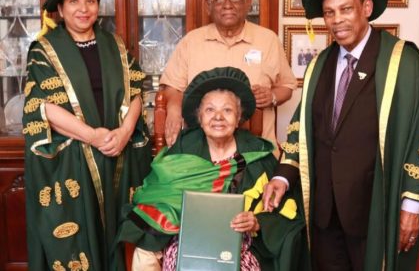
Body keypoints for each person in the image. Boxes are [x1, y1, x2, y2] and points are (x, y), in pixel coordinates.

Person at [262, 0, 419, 271]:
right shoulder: (319, 64)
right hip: (324, 209)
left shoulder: (402, 62)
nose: (337, 20)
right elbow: (300, 129)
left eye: (346, 9)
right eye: (329, 13)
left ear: (367, 8)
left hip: (374, 208)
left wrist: (412, 206)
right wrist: (282, 177)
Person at [117, 67, 307, 271]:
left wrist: (257, 222)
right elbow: (154, 198)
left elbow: (288, 212)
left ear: (239, 117)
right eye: (210, 110)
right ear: (199, 117)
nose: (218, 117)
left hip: (240, 246)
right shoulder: (182, 150)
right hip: (185, 242)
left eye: (227, 110)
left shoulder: (258, 154)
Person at [22, 0, 151, 270]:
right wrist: (93, 136)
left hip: (117, 153)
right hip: (74, 157)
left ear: (98, 6)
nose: (83, 8)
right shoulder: (45, 49)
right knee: (80, 239)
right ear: (62, 9)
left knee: (118, 235)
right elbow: (42, 107)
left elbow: (136, 93)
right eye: (74, 2)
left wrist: (124, 132)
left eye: (90, 1)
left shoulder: (114, 44)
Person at [160, 0, 296, 158]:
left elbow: (287, 86)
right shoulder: (191, 41)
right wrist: (174, 109)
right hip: (201, 155)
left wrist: (272, 96)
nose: (227, 5)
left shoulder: (268, 40)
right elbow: (172, 87)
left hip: (258, 154)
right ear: (208, 5)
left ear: (248, 1)